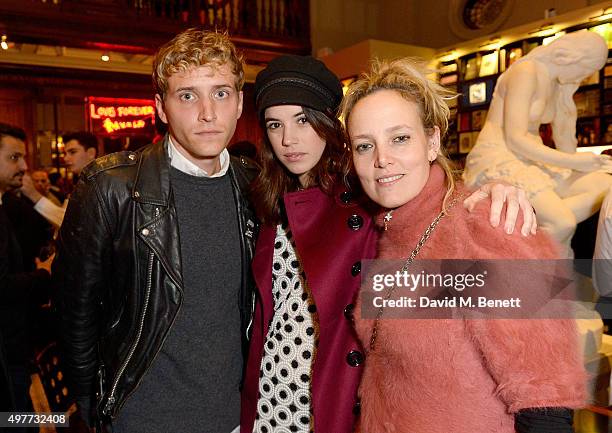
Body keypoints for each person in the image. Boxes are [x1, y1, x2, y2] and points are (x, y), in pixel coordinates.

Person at [241, 55, 539, 433]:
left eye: (303, 119)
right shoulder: (269, 202)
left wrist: (495, 192)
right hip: (272, 394)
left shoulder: (368, 201)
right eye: (274, 124)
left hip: (330, 401)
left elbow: (427, 205)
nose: (289, 139)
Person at [341, 58, 586, 433]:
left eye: (400, 138)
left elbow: (545, 399)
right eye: (364, 145)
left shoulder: (486, 225)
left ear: (432, 141)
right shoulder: (389, 233)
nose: (381, 159)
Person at [53, 29, 258, 433]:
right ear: (161, 109)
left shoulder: (254, 186)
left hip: (234, 417)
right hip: (141, 418)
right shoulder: (109, 187)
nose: (207, 113)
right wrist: (92, 410)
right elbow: (74, 312)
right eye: (187, 96)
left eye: (220, 93)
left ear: (238, 104)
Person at [463, 31, 612, 256]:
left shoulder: (558, 86)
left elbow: (565, 143)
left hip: (533, 159)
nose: (584, 77)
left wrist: (591, 165)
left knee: (604, 184)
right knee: (563, 223)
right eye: (586, 70)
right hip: (500, 157)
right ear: (572, 57)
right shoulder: (526, 71)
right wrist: (575, 161)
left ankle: (524, 233)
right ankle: (526, 263)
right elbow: (515, 139)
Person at [0, 123, 54, 426]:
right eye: (13, 158)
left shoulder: (6, 205)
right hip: (7, 354)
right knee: (16, 421)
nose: (23, 166)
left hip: (15, 349)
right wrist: (44, 275)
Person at [20, 131, 98, 228]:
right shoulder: (84, 181)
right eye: (65, 153)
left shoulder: (98, 184)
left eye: (73, 152)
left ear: (91, 153)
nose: (65, 158)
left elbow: (70, 223)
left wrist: (33, 194)